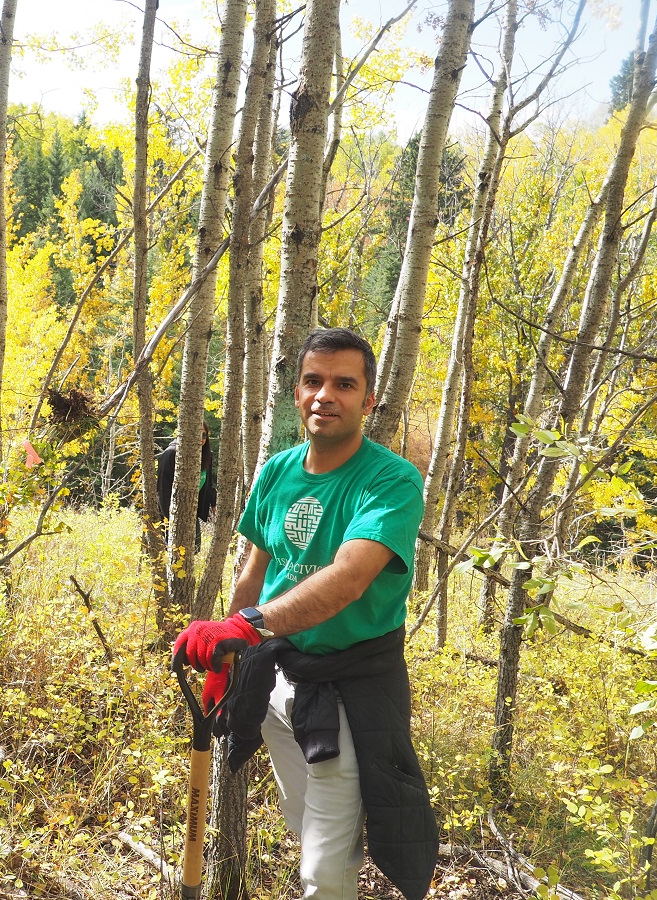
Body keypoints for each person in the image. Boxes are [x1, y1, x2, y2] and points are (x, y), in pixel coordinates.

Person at [172, 328, 436, 900]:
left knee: (326, 869)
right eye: (314, 381)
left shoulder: (391, 479)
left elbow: (348, 577)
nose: (325, 395)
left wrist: (249, 625)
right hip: (275, 680)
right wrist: (230, 651)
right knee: (307, 830)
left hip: (347, 686)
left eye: (345, 384)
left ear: (368, 401)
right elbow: (254, 570)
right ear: (296, 393)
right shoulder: (277, 471)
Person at [156, 421, 217, 549]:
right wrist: (171, 519)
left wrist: (214, 504)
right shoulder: (171, 454)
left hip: (191, 511)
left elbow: (208, 483)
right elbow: (162, 491)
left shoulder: (205, 455)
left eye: (204, 435)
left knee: (194, 548)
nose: (201, 439)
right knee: (172, 551)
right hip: (169, 513)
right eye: (197, 434)